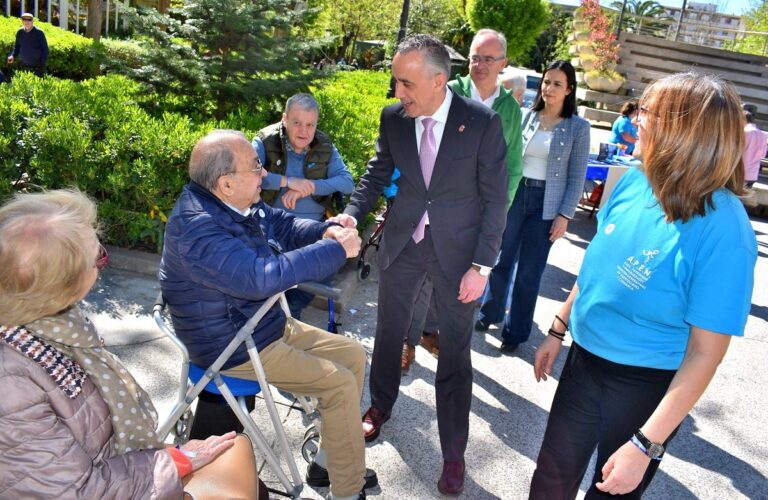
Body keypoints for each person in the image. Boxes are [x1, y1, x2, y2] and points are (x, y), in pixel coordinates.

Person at [530, 73, 756, 499]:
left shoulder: (726, 229)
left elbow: (705, 354)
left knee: (610, 493)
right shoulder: (634, 180)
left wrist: (645, 444)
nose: (636, 122)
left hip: (644, 386)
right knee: (549, 480)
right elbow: (596, 267)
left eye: (649, 113)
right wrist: (559, 327)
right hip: (583, 364)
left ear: (682, 129)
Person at [334, 34, 508, 495]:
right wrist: (352, 212)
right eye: (395, 81)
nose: (397, 92)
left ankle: (453, 453)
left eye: (405, 83)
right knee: (389, 332)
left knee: (454, 352)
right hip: (404, 243)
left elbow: (495, 201)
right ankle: (381, 406)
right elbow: (376, 171)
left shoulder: (482, 123)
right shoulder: (394, 118)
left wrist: (482, 267)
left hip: (458, 255)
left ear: (438, 80)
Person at [159, 130, 376, 500]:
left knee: (353, 356)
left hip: (257, 323)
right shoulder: (199, 228)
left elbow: (282, 224)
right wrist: (338, 250)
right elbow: (261, 278)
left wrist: (328, 230)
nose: (264, 173)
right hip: (231, 344)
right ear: (227, 183)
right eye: (255, 166)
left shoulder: (232, 204)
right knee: (338, 384)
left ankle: (328, 465)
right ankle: (348, 492)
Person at [0, 189, 257, 499]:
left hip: (117, 464)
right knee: (237, 457)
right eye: (98, 258)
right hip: (106, 484)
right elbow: (79, 492)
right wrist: (174, 460)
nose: (100, 262)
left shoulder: (57, 326)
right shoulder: (12, 381)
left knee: (236, 454)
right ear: (61, 288)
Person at [399, 28, 525, 375]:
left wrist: (500, 209)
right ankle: (406, 342)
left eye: (488, 58)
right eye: (474, 57)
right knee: (422, 278)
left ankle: (434, 335)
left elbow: (513, 166)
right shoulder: (449, 92)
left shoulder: (509, 111)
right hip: (439, 207)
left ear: (503, 64)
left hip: (481, 214)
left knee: (460, 279)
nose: (479, 64)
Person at [475, 60, 590, 354]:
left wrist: (565, 215)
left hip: (546, 205)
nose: (549, 88)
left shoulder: (578, 127)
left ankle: (516, 332)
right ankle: (490, 313)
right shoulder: (527, 116)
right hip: (516, 195)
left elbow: (577, 176)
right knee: (501, 259)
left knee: (529, 270)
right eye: (546, 82)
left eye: (557, 84)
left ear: (569, 90)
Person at [253, 93, 355, 318]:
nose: (304, 131)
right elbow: (249, 174)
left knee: (326, 265)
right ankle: (282, 320)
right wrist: (288, 182)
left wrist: (309, 186)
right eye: (297, 122)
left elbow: (347, 183)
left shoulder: (324, 145)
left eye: (310, 124)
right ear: (285, 119)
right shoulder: (265, 140)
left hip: (311, 230)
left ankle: (288, 312)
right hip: (271, 231)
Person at [6, 13, 48, 77]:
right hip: (24, 66)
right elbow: (17, 47)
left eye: (29, 19)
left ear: (32, 21)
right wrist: (13, 56)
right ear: (22, 21)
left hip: (38, 68)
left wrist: (41, 65)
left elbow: (45, 50)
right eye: (24, 19)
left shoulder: (39, 33)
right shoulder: (20, 32)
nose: (26, 21)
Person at [742, 105, 765, 188]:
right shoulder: (762, 134)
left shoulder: (744, 132)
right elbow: (762, 155)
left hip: (740, 174)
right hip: (753, 175)